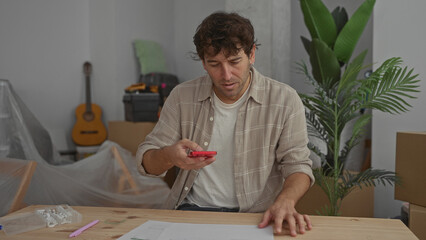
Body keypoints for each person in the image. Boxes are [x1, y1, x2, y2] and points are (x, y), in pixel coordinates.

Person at [136, 11, 314, 237]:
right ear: (203, 63)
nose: (226, 75)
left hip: (257, 216)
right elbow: (146, 161)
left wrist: (286, 201)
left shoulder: (285, 100)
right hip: (192, 211)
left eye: (234, 62)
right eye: (214, 64)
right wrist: (169, 156)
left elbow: (299, 165)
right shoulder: (182, 96)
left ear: (251, 54)